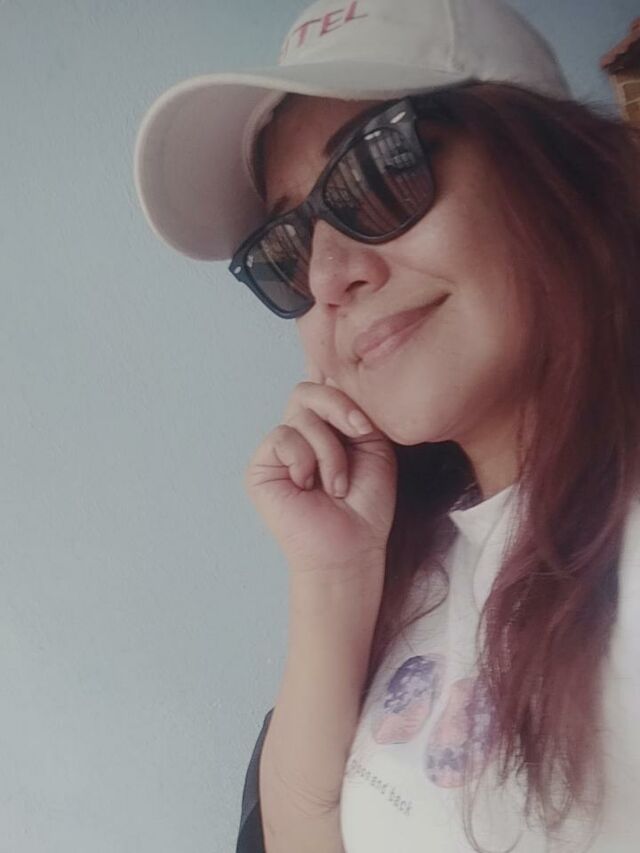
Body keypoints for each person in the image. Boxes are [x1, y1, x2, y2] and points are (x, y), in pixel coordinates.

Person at [133, 0, 640, 850]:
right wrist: (332, 578)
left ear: (552, 164)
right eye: (286, 248)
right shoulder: (411, 555)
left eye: (379, 169)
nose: (327, 275)